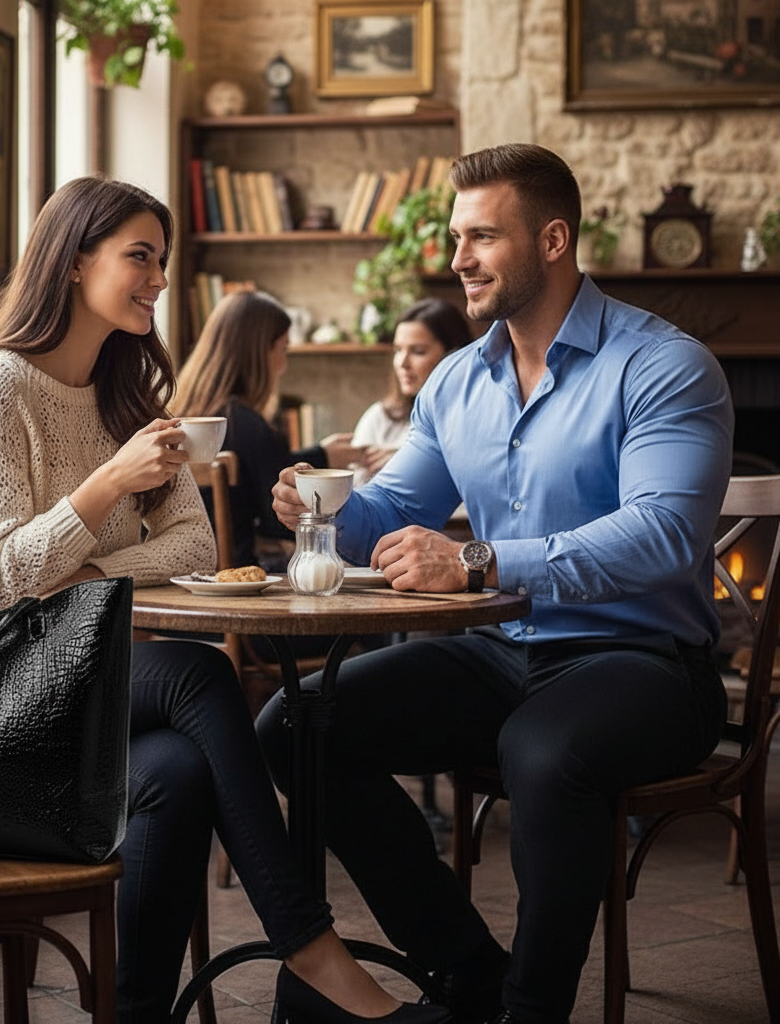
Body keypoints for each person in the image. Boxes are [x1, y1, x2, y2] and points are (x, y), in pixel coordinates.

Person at [0, 176, 443, 1024]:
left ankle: (138, 1013)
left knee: (177, 769)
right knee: (199, 677)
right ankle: (312, 955)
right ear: (74, 259)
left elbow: (196, 549)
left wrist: (78, 569)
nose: (159, 277)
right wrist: (107, 486)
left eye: (163, 258)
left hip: (69, 675)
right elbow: (0, 580)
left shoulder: (127, 393)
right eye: (140, 257)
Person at [258, 144, 733, 1024]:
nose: (457, 258)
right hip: (499, 652)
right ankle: (467, 973)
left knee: (544, 752)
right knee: (296, 728)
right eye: (454, 236)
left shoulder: (664, 365)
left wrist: (478, 561)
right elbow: (401, 503)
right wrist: (321, 506)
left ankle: (532, 1010)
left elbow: (665, 535)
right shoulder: (455, 381)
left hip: (644, 662)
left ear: (553, 240)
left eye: (481, 236)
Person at [174, 289, 364, 570]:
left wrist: (321, 455)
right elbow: (281, 520)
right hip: (236, 578)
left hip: (180, 577)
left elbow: (256, 470)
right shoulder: (245, 423)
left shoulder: (181, 415)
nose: (284, 365)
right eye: (283, 348)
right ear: (261, 351)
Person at [350, 298, 471, 487]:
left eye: (418, 351)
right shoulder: (379, 418)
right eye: (398, 350)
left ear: (453, 356)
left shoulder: (477, 418)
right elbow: (354, 492)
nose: (402, 363)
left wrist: (412, 464)